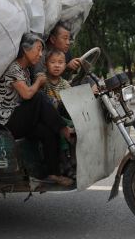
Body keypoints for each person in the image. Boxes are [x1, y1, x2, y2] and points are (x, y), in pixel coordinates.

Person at [0, 32, 75, 186]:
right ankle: (65, 130)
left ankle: (54, 174)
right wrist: (38, 83)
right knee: (38, 96)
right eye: (38, 49)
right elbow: (27, 94)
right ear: (25, 49)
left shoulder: (26, 70)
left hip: (19, 118)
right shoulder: (13, 69)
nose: (40, 54)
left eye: (42, 50)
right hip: (6, 123)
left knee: (49, 131)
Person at [42, 48, 77, 178]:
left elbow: (72, 100)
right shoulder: (43, 81)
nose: (57, 65)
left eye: (60, 62)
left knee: (75, 126)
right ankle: (65, 163)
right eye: (53, 62)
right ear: (46, 64)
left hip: (62, 116)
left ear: (64, 65)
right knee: (61, 129)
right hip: (49, 119)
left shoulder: (65, 84)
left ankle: (74, 159)